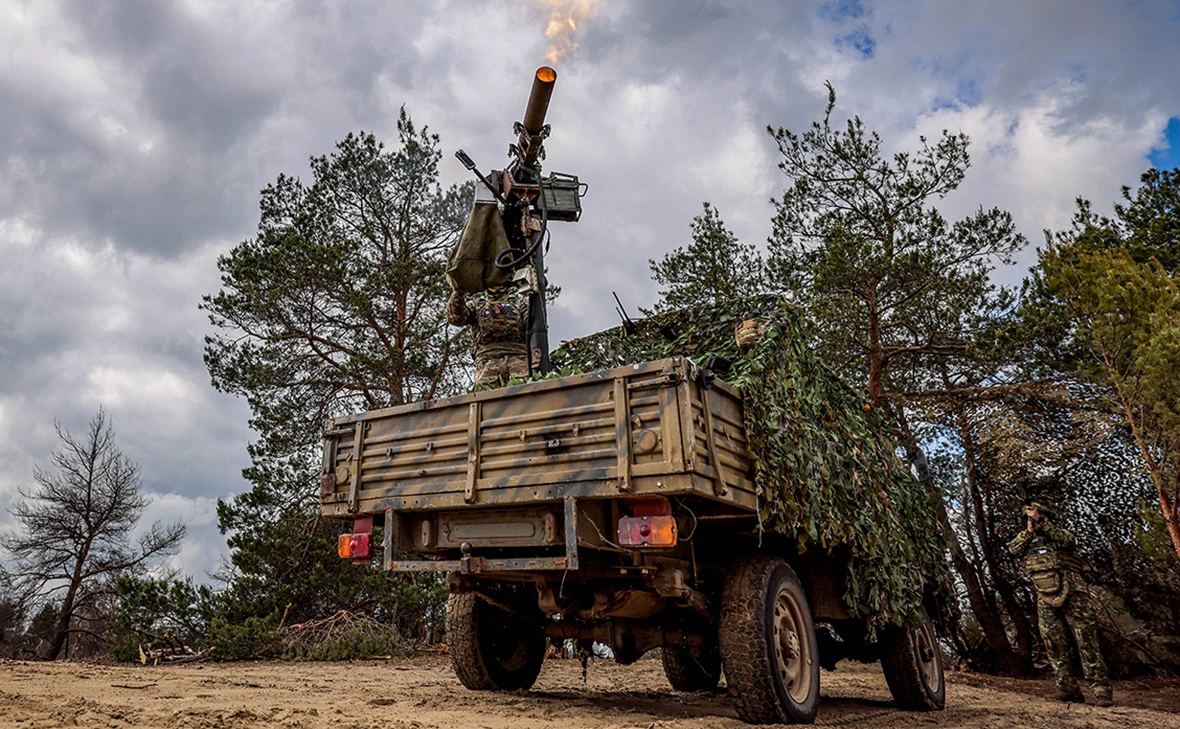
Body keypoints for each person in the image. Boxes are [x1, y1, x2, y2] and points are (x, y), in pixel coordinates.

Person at [1008, 500, 1113, 707]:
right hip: (1045, 595)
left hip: (1074, 592)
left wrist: (1043, 524)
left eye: (1035, 516)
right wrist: (1029, 531)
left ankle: (1101, 689)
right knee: (1053, 642)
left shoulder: (1057, 534)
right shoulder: (1027, 539)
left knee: (1086, 641)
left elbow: (1068, 540)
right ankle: (1067, 687)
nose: (1032, 520)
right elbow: (1013, 549)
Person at [447, 284, 529, 387]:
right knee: (485, 396)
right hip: (487, 363)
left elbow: (534, 327)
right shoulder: (477, 306)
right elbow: (455, 318)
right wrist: (458, 290)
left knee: (526, 395)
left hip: (519, 361)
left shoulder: (520, 304)